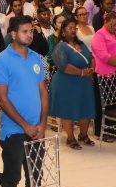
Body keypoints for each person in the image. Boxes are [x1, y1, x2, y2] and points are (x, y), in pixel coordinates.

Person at [0, 15, 48, 187]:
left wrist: (42, 124)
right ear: (14, 34)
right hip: (14, 131)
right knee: (12, 178)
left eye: (31, 31)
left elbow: (43, 92)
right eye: (25, 31)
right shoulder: (2, 60)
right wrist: (25, 126)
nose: (30, 35)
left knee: (35, 177)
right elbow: (1, 98)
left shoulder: (35, 57)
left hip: (36, 129)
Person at [49, 19, 95, 149]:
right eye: (70, 28)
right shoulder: (60, 47)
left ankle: (83, 135)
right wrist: (81, 72)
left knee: (86, 108)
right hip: (66, 83)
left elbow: (91, 57)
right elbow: (63, 66)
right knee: (67, 110)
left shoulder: (82, 44)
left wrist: (92, 69)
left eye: (75, 28)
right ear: (63, 32)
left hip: (84, 83)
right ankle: (70, 138)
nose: (73, 30)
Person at [91, 12, 116, 141]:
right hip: (103, 73)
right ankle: (101, 131)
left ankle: (112, 130)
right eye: (112, 24)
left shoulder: (113, 33)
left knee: (113, 104)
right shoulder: (99, 35)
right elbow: (104, 56)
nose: (114, 27)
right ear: (105, 22)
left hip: (113, 73)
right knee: (103, 104)